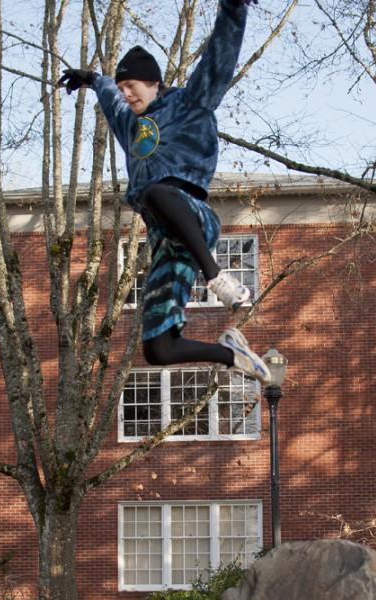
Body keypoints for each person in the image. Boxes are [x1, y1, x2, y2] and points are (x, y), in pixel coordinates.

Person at [58, 0, 271, 385]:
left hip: (192, 215)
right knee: (158, 348)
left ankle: (217, 277)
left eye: (133, 87)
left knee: (156, 191)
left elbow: (217, 59)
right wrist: (92, 79)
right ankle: (231, 355)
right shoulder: (128, 123)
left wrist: (234, 10)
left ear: (154, 83)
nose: (127, 95)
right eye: (123, 88)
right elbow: (109, 95)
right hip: (164, 236)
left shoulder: (190, 103)